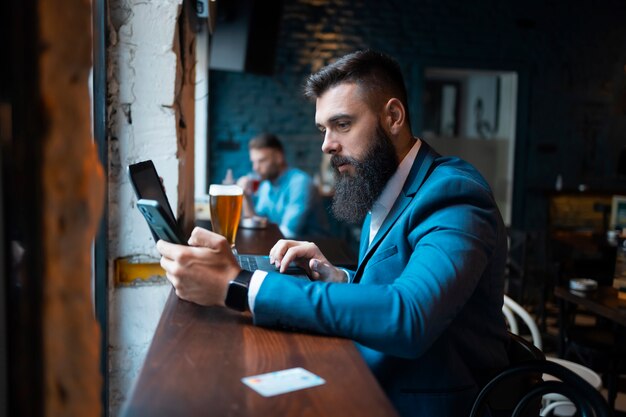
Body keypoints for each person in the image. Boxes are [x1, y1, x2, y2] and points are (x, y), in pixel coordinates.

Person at [157, 50, 509, 416]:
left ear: (393, 117)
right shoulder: (388, 184)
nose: (326, 145)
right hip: (371, 377)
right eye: (323, 129)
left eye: (342, 125)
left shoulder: (453, 194)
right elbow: (399, 282)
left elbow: (411, 316)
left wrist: (240, 286)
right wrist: (340, 278)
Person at [237, 133, 328, 238]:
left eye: (262, 161)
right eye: (254, 162)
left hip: (316, 248)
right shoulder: (266, 185)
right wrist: (246, 197)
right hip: (284, 247)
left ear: (279, 157)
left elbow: (288, 233)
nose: (255, 168)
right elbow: (258, 223)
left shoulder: (300, 183)